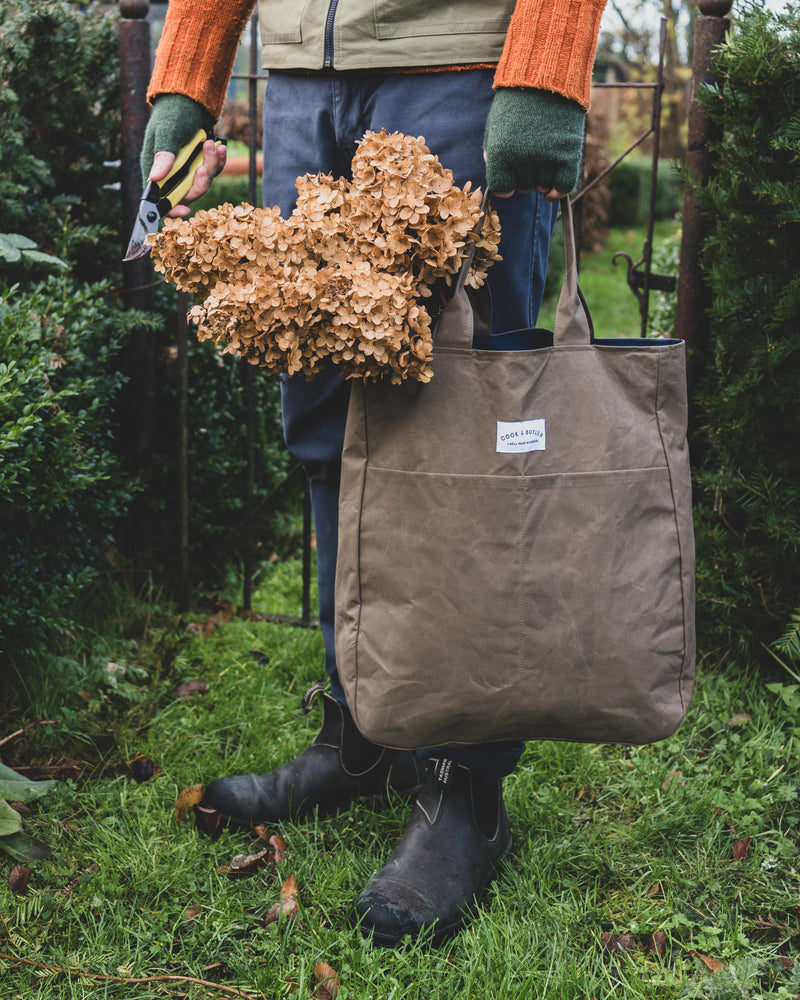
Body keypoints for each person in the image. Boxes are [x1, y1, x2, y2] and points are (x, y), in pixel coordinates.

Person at [140, 0, 607, 947]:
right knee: (323, 414)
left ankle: (462, 782)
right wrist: (191, 69)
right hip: (307, 76)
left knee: (466, 431)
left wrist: (547, 66)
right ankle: (359, 732)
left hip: (462, 68)